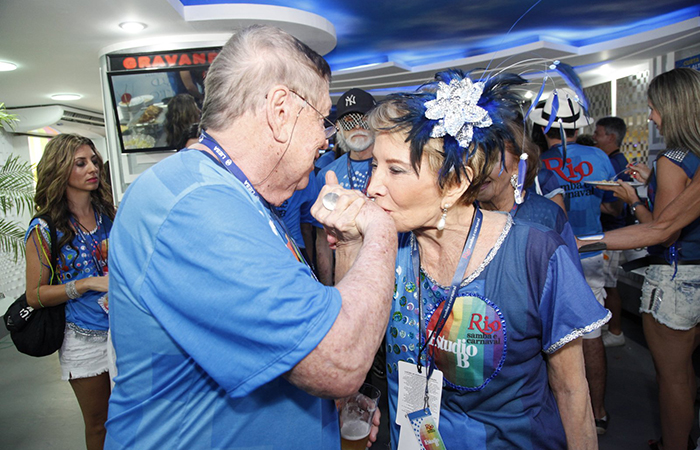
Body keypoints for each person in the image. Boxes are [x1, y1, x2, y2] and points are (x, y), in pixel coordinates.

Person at [105, 25, 397, 450]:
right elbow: (339, 360)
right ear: (281, 111)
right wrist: (382, 232)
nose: (324, 138)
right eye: (321, 118)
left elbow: (304, 329)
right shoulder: (196, 204)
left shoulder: (238, 195)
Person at [360, 69, 607, 449]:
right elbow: (350, 354)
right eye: (373, 166)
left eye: (394, 169)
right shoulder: (386, 248)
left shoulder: (535, 253)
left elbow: (572, 392)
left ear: (456, 183)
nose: (372, 187)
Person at [596, 67, 700, 450]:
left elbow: (662, 227)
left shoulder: (672, 158)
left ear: (674, 109)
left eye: (655, 108)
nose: (653, 117)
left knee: (673, 376)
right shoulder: (693, 158)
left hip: (674, 277)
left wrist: (635, 200)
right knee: (688, 370)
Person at [532, 89, 620, 435]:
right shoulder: (599, 156)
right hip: (593, 253)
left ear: (541, 128)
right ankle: (597, 412)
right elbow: (614, 207)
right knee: (593, 334)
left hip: (552, 258)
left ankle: (561, 413)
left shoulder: (536, 162)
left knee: (554, 340)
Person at [24, 133, 114, 450]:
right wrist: (86, 284)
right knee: (99, 425)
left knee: (131, 415)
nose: (92, 168)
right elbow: (35, 295)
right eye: (81, 163)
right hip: (83, 337)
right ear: (61, 169)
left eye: (94, 161)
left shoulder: (108, 215)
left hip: (122, 331)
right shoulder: (44, 228)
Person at [477, 119, 580, 265]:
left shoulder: (546, 215)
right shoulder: (458, 215)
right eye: (470, 158)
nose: (478, 170)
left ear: (518, 165)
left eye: (490, 158)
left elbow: (569, 280)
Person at [315, 88, 377, 285]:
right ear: (339, 128)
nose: (357, 128)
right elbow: (322, 239)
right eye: (349, 122)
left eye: (363, 120)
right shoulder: (327, 174)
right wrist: (328, 288)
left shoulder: (394, 169)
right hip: (346, 274)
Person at [592, 116, 632, 348]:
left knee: (609, 285)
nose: (595, 138)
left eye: (598, 134)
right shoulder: (611, 160)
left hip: (613, 232)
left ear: (611, 137)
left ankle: (616, 331)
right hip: (610, 231)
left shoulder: (614, 163)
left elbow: (616, 205)